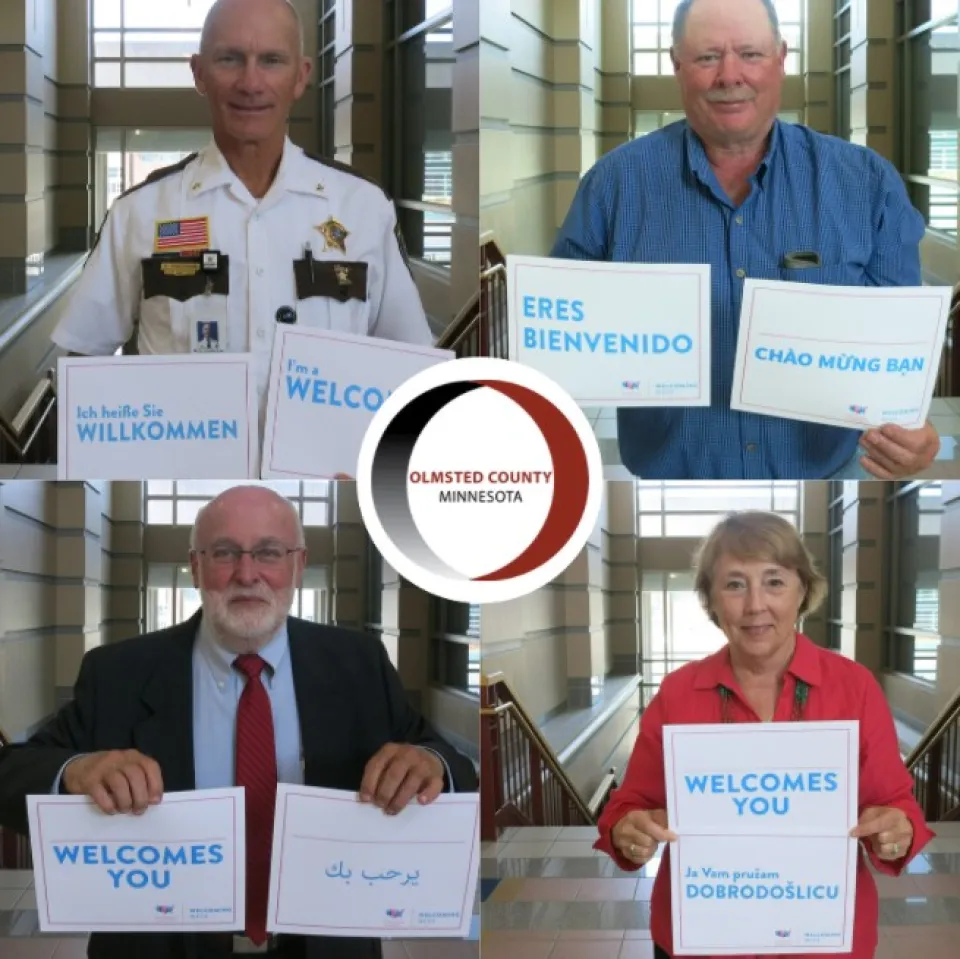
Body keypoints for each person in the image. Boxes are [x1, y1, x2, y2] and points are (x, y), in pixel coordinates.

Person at [0, 485, 477, 959]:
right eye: (225, 553)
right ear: (195, 566)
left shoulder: (360, 664)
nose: (247, 575)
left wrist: (430, 763)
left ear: (297, 564)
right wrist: (75, 772)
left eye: (268, 552)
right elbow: (11, 772)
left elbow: (454, 765)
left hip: (325, 946)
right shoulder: (117, 673)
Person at [551, 0, 939, 481]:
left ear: (781, 58)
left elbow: (900, 348)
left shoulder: (866, 184)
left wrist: (912, 435)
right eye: (708, 56)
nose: (729, 76)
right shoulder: (613, 186)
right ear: (677, 65)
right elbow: (562, 343)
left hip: (826, 476)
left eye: (750, 54)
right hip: (671, 479)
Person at [52, 0, 433, 410]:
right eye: (230, 59)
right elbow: (80, 361)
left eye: (271, 60)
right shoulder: (140, 214)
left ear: (301, 76)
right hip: (183, 473)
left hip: (326, 475)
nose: (251, 83)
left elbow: (413, 369)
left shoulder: (363, 208)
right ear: (199, 73)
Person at [595, 511, 934, 959]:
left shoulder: (854, 688)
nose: (755, 605)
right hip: (701, 937)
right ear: (711, 600)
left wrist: (897, 829)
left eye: (774, 582)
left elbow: (895, 803)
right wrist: (628, 829)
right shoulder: (679, 693)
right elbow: (629, 804)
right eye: (735, 584)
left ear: (802, 591)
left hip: (822, 938)